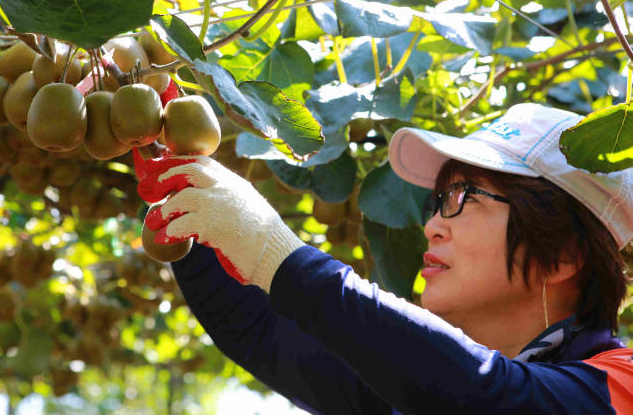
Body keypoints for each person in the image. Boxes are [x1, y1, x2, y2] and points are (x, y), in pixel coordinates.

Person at [138, 103, 633, 414]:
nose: (433, 224)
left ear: (564, 254)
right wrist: (180, 185)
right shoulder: (407, 391)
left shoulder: (620, 387)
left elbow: (487, 395)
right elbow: (263, 334)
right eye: (437, 202)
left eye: (465, 197)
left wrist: (275, 251)